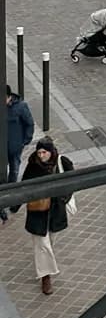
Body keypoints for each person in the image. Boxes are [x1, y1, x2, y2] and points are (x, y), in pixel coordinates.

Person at [23, 136, 75, 294]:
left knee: (49, 242)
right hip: (37, 212)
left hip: (55, 211)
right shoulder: (32, 164)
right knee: (42, 245)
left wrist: (63, 198)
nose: (41, 156)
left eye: (44, 152)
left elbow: (73, 182)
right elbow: (24, 186)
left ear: (51, 152)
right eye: (39, 152)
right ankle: (46, 277)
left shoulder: (62, 162)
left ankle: (45, 270)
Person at [2, 82, 34, 221]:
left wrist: (25, 141)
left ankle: (11, 195)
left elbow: (29, 123)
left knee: (14, 170)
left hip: (15, 147)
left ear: (9, 97)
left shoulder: (20, 107)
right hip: (2, 149)